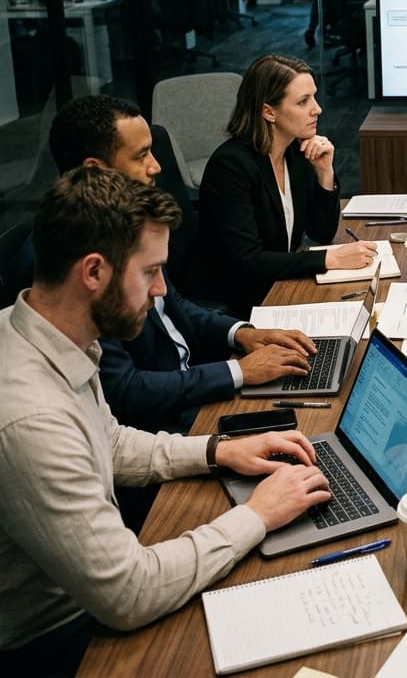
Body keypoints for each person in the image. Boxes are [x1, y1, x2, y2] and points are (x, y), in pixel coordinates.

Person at [0, 167, 331, 677]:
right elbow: (129, 593)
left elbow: (108, 442)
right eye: (150, 271)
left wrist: (217, 450)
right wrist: (258, 515)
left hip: (92, 592)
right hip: (59, 641)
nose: (160, 290)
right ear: (94, 272)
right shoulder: (31, 420)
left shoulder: (40, 330)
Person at [47, 94, 316, 437]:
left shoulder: (131, 227)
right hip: (162, 425)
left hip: (194, 385)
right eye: (141, 155)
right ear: (94, 170)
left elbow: (174, 306)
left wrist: (243, 333)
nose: (156, 166)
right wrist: (238, 373)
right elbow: (124, 391)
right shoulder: (73, 261)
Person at [198, 54, 378, 316]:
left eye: (314, 97)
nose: (317, 109)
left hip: (279, 281)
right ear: (268, 112)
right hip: (241, 300)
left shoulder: (296, 152)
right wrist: (331, 258)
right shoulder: (231, 167)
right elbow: (248, 260)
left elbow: (321, 231)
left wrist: (324, 172)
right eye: (303, 102)